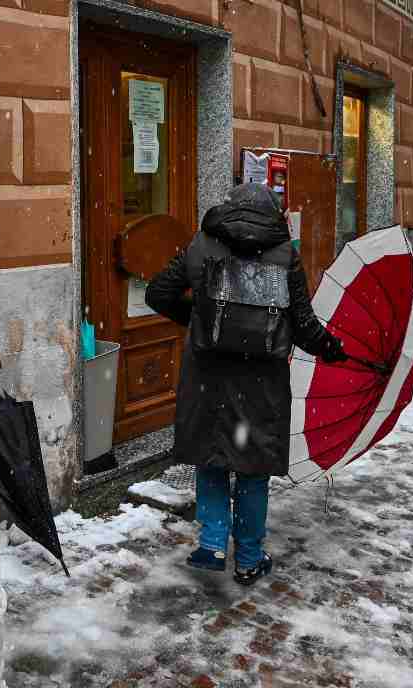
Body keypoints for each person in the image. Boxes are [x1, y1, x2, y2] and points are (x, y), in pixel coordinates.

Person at [145, 183, 346, 586]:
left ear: (227, 207)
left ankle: (214, 542)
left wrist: (200, 320)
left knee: (212, 455)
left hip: (208, 374)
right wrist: (332, 348)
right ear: (275, 213)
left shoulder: (201, 244)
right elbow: (304, 326)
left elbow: (157, 294)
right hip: (263, 380)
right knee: (253, 468)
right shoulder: (285, 253)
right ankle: (249, 558)